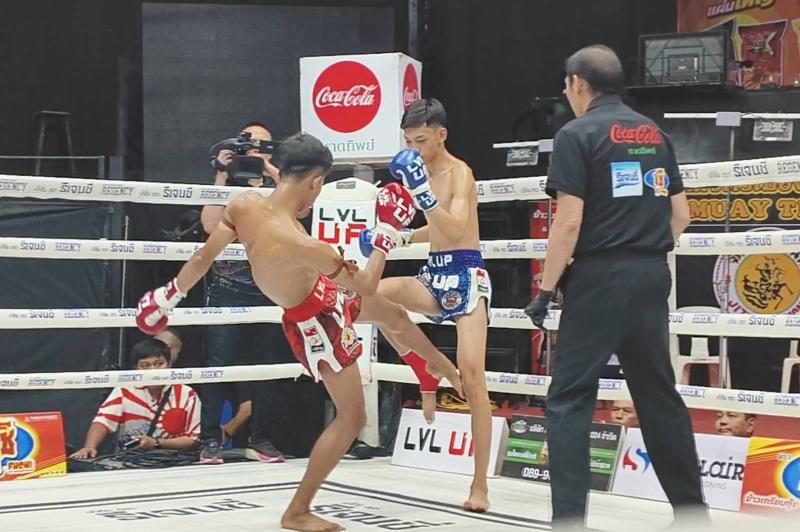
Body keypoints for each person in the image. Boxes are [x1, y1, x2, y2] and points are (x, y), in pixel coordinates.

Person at [135, 132, 461, 532]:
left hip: (323, 295)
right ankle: (298, 510)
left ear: (281, 170)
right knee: (352, 418)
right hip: (317, 322)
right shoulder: (305, 245)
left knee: (393, 313)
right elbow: (365, 284)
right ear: (316, 181)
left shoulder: (245, 205)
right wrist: (387, 235)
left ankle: (432, 367)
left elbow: (204, 257)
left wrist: (168, 296)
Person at [523, 45, 708, 530]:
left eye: (566, 85)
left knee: (569, 399)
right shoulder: (653, 132)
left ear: (578, 84)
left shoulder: (576, 133)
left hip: (599, 278)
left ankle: (569, 523)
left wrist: (545, 289)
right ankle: (693, 517)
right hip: (650, 274)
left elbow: (568, 221)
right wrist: (640, 250)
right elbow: (681, 215)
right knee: (658, 397)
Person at [370, 97, 494, 512]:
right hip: (433, 273)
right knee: (372, 296)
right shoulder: (417, 174)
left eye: (421, 140)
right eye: (408, 141)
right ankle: (433, 363)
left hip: (467, 274)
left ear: (441, 135)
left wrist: (421, 193)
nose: (414, 148)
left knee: (473, 378)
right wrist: (400, 236)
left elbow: (456, 228)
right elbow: (435, 230)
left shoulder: (461, 173)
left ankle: (480, 485)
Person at [199, 121, 293, 465]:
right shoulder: (228, 183)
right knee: (218, 365)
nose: (254, 149)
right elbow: (210, 226)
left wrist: (268, 170)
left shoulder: (278, 185)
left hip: (269, 288)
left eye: (262, 145)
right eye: (248, 143)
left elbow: (298, 209)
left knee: (268, 368)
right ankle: (210, 440)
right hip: (228, 289)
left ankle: (261, 439)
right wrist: (222, 174)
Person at [69, 338, 200, 459]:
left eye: (159, 364)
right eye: (145, 365)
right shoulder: (125, 390)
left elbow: (195, 440)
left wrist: (156, 443)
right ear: (136, 368)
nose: (153, 370)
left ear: (169, 364)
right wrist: (89, 447)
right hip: (129, 461)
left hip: (173, 462)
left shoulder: (187, 394)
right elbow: (102, 422)